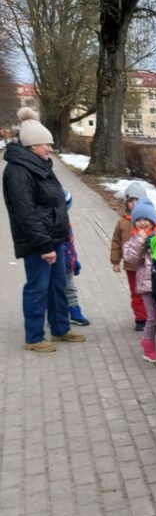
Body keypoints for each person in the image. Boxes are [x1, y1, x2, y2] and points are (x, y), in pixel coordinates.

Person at [2, 108, 86, 351]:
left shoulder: (41, 165)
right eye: (47, 144)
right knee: (37, 288)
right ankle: (34, 337)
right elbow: (25, 213)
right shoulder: (18, 171)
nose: (50, 148)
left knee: (57, 285)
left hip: (54, 237)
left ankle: (60, 328)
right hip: (38, 241)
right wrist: (43, 244)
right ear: (32, 145)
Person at [122, 198, 156, 363]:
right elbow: (131, 259)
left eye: (146, 219)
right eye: (138, 220)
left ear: (153, 221)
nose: (142, 223)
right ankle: (148, 346)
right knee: (152, 317)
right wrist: (139, 240)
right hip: (146, 284)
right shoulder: (133, 240)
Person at [110, 181, 148, 330]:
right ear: (126, 203)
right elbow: (116, 242)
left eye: (137, 200)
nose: (134, 203)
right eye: (131, 200)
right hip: (131, 266)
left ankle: (151, 316)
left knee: (148, 291)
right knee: (136, 292)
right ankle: (141, 319)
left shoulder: (149, 221)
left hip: (147, 265)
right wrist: (115, 261)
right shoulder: (122, 223)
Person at [62, 191, 89, 326]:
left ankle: (74, 312)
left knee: (70, 289)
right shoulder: (53, 223)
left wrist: (74, 260)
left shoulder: (66, 223)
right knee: (55, 291)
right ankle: (56, 315)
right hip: (56, 264)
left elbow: (70, 245)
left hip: (68, 264)